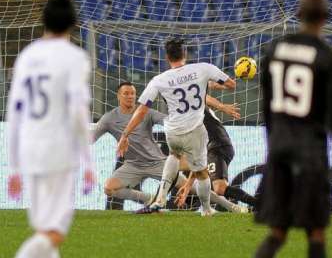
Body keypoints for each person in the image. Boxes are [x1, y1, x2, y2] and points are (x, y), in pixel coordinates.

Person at [254, 0, 332, 258]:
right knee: (316, 232)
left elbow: (266, 107)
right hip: (310, 151)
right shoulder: (328, 57)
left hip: (279, 147)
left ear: (298, 16)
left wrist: (273, 142)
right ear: (324, 19)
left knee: (277, 233)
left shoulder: (274, 49)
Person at [6, 0, 94, 258]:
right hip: (59, 152)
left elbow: (14, 113)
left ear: (43, 20)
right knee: (55, 232)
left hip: (29, 150)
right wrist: (88, 162)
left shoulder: (27, 55)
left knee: (44, 230)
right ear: (73, 23)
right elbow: (78, 110)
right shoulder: (75, 57)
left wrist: (13, 166)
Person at [117, 38, 236, 216]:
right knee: (202, 173)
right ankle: (206, 209)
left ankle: (161, 198)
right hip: (195, 130)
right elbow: (230, 85)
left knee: (174, 155)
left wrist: (125, 135)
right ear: (185, 54)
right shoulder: (203, 68)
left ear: (167, 57)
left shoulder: (159, 80)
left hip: (172, 131)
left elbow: (141, 110)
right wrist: (208, 84)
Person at [94, 81, 246, 213]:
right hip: (132, 165)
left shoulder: (146, 113)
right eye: (126, 93)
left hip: (157, 162)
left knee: (194, 184)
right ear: (118, 96)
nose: (130, 96)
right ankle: (150, 199)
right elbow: (91, 137)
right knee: (109, 188)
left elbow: (167, 122)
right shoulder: (109, 118)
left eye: (133, 93)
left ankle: (230, 206)